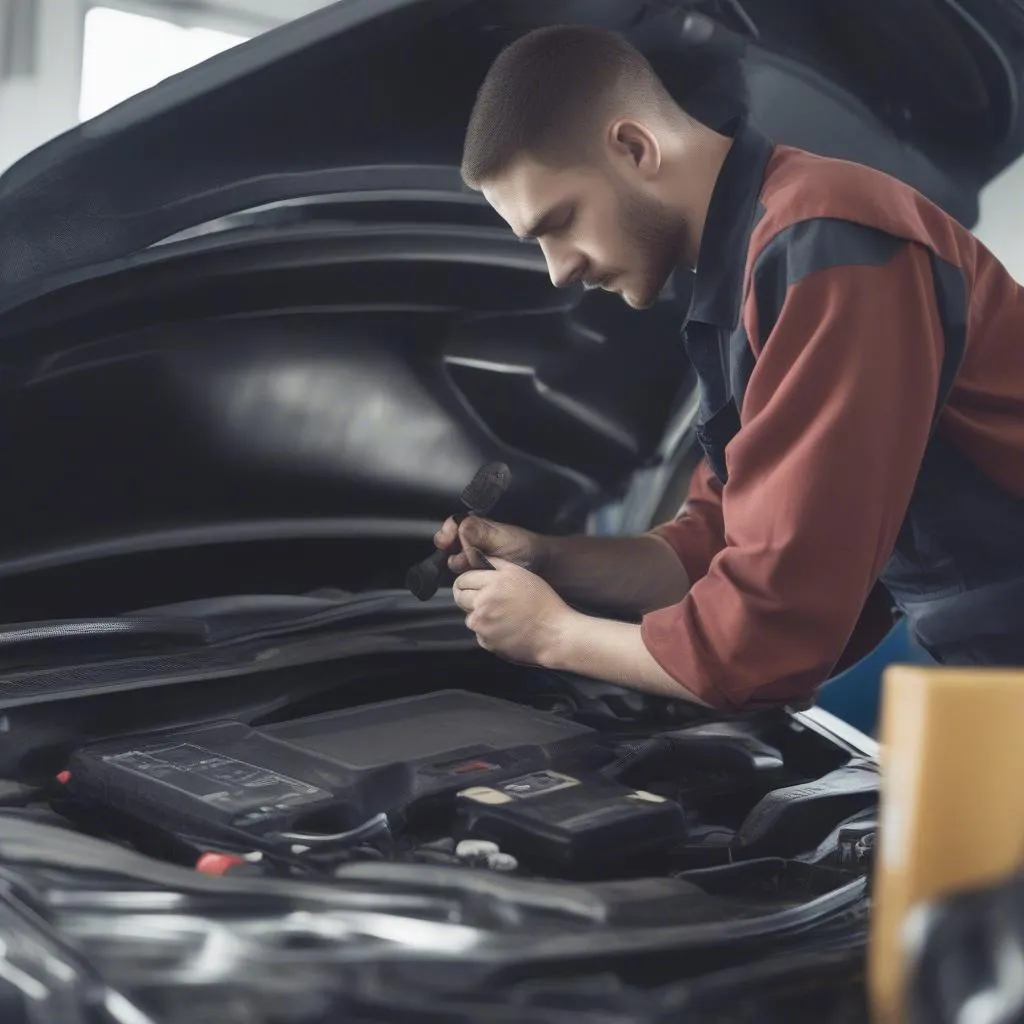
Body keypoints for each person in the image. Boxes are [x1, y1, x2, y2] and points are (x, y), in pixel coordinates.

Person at [434, 24, 1024, 712]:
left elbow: (767, 631)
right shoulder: (748, 270)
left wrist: (550, 634)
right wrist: (549, 561)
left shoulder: (824, 241)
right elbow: (715, 548)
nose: (560, 270)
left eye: (559, 221)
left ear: (633, 147)